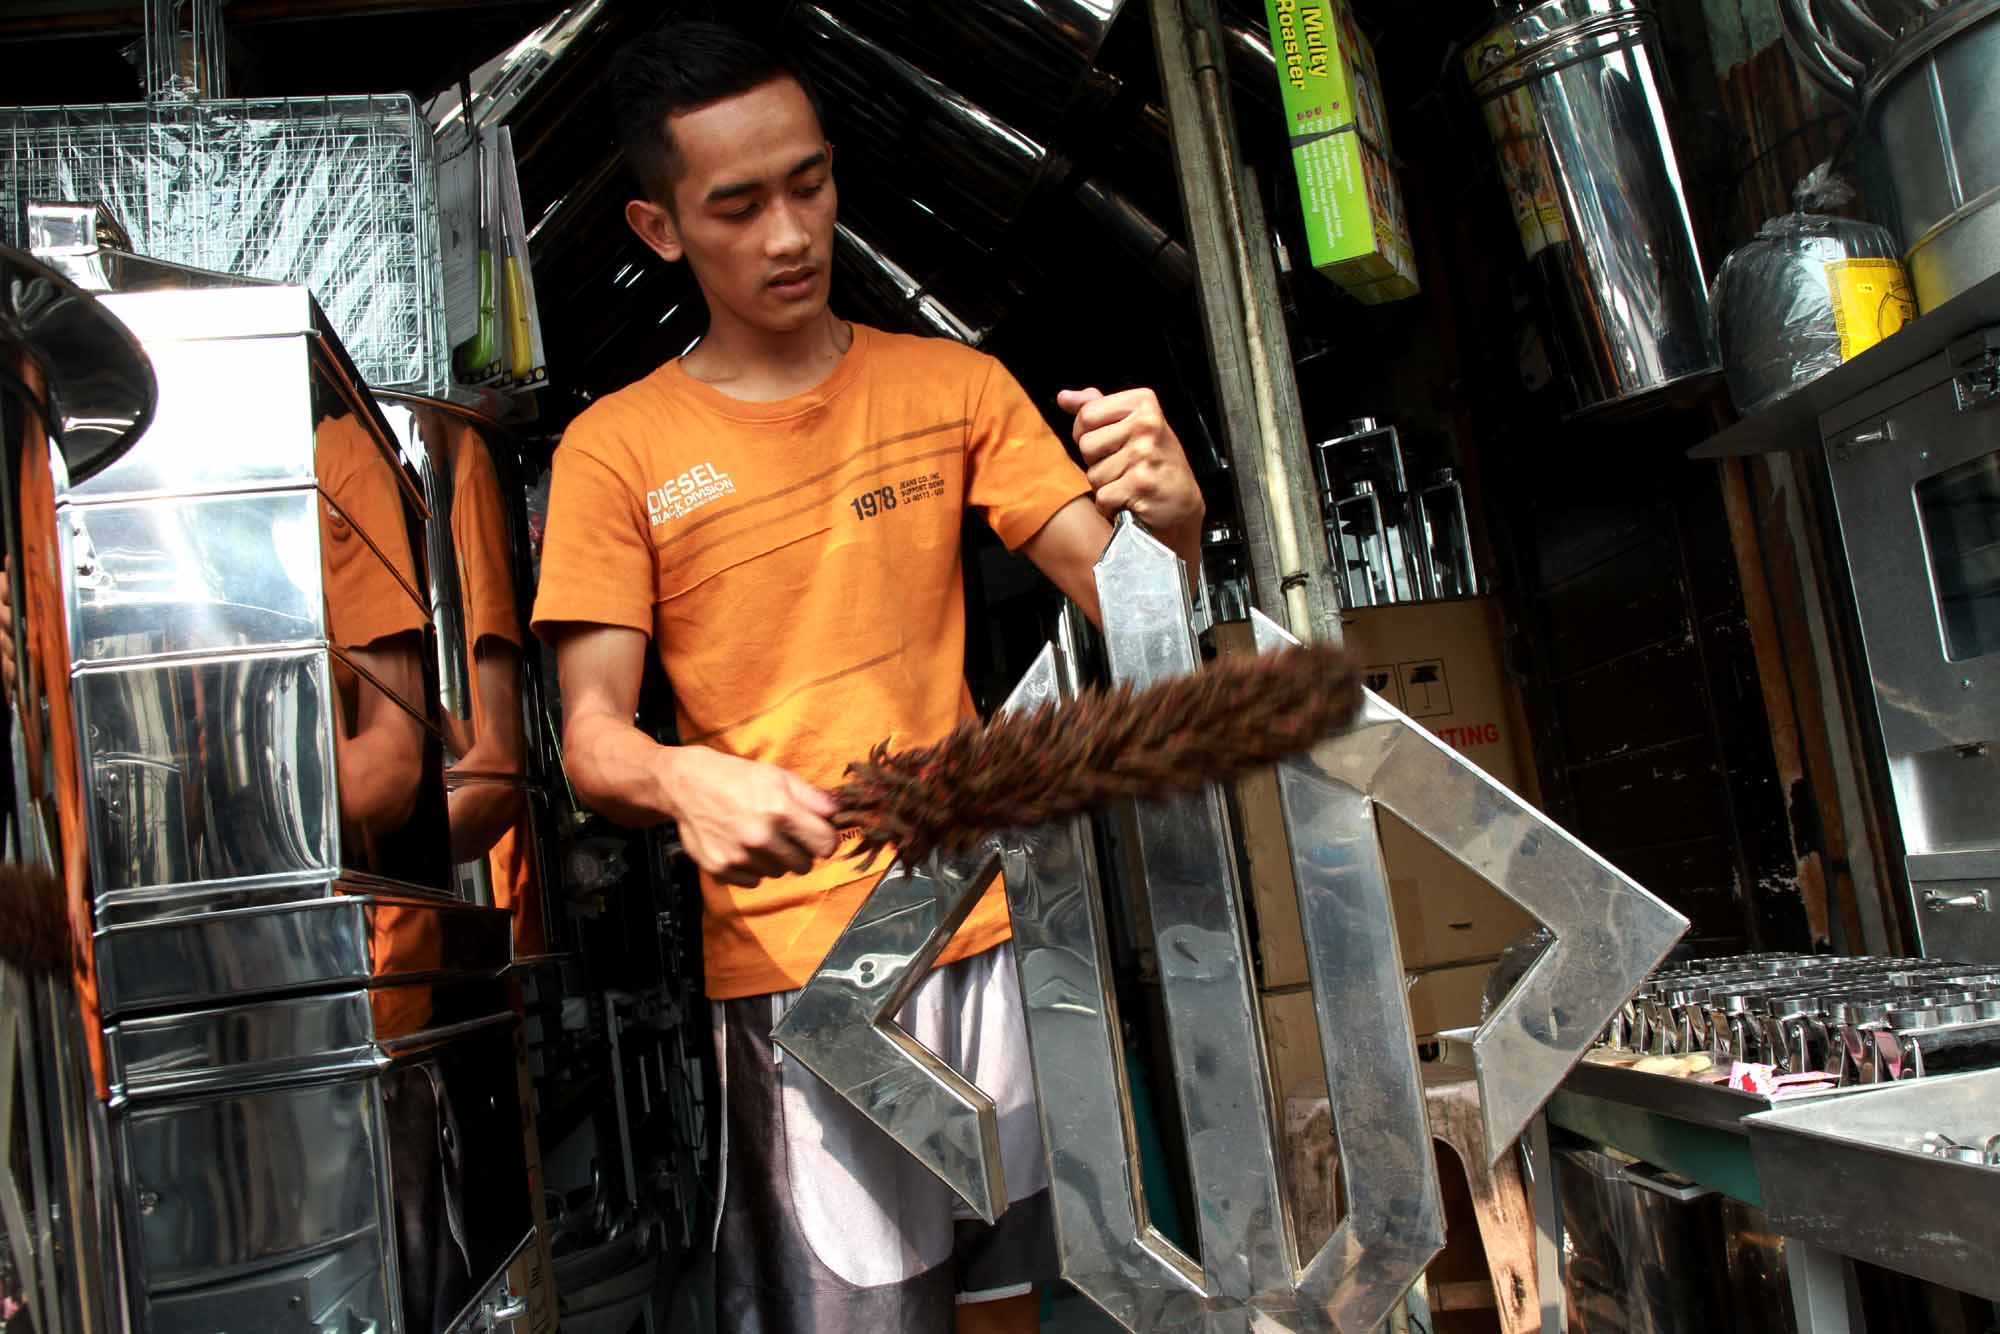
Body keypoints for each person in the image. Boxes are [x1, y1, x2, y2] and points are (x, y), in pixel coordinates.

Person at [529, 20, 1204, 1333]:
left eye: (809, 184)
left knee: (1024, 1302)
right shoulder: (619, 450)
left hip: (992, 926)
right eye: (737, 205)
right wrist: (683, 779)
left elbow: (1136, 613)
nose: (788, 233)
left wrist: (1173, 523)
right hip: (799, 968)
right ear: (661, 228)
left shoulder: (950, 386)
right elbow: (592, 741)